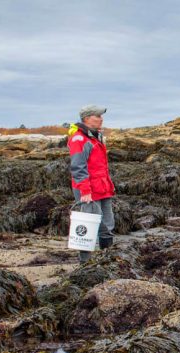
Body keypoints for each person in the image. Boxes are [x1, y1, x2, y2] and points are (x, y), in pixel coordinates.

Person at [68, 105, 115, 263]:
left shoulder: (96, 137)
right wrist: (85, 190)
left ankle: (106, 259)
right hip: (88, 190)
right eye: (97, 116)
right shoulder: (79, 139)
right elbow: (78, 167)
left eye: (101, 116)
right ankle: (85, 262)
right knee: (86, 227)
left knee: (107, 225)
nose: (101, 119)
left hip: (103, 187)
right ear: (87, 119)